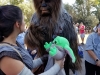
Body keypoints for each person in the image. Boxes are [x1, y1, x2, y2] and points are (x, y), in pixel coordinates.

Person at [0, 5, 64, 75]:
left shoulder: (14, 44)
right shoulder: (7, 56)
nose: (25, 23)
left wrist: (44, 58)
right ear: (18, 24)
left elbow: (27, 64)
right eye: (23, 20)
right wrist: (58, 66)